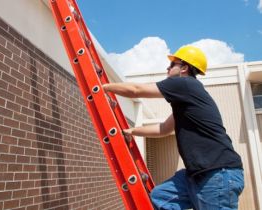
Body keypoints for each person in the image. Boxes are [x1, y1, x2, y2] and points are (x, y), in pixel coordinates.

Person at [103, 45, 244, 210]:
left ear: (184, 68)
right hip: (195, 175)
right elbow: (164, 129)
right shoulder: (186, 101)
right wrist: (133, 131)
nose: (167, 68)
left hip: (217, 174)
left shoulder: (185, 84)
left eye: (172, 65)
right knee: (158, 198)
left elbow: (136, 90)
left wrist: (103, 87)